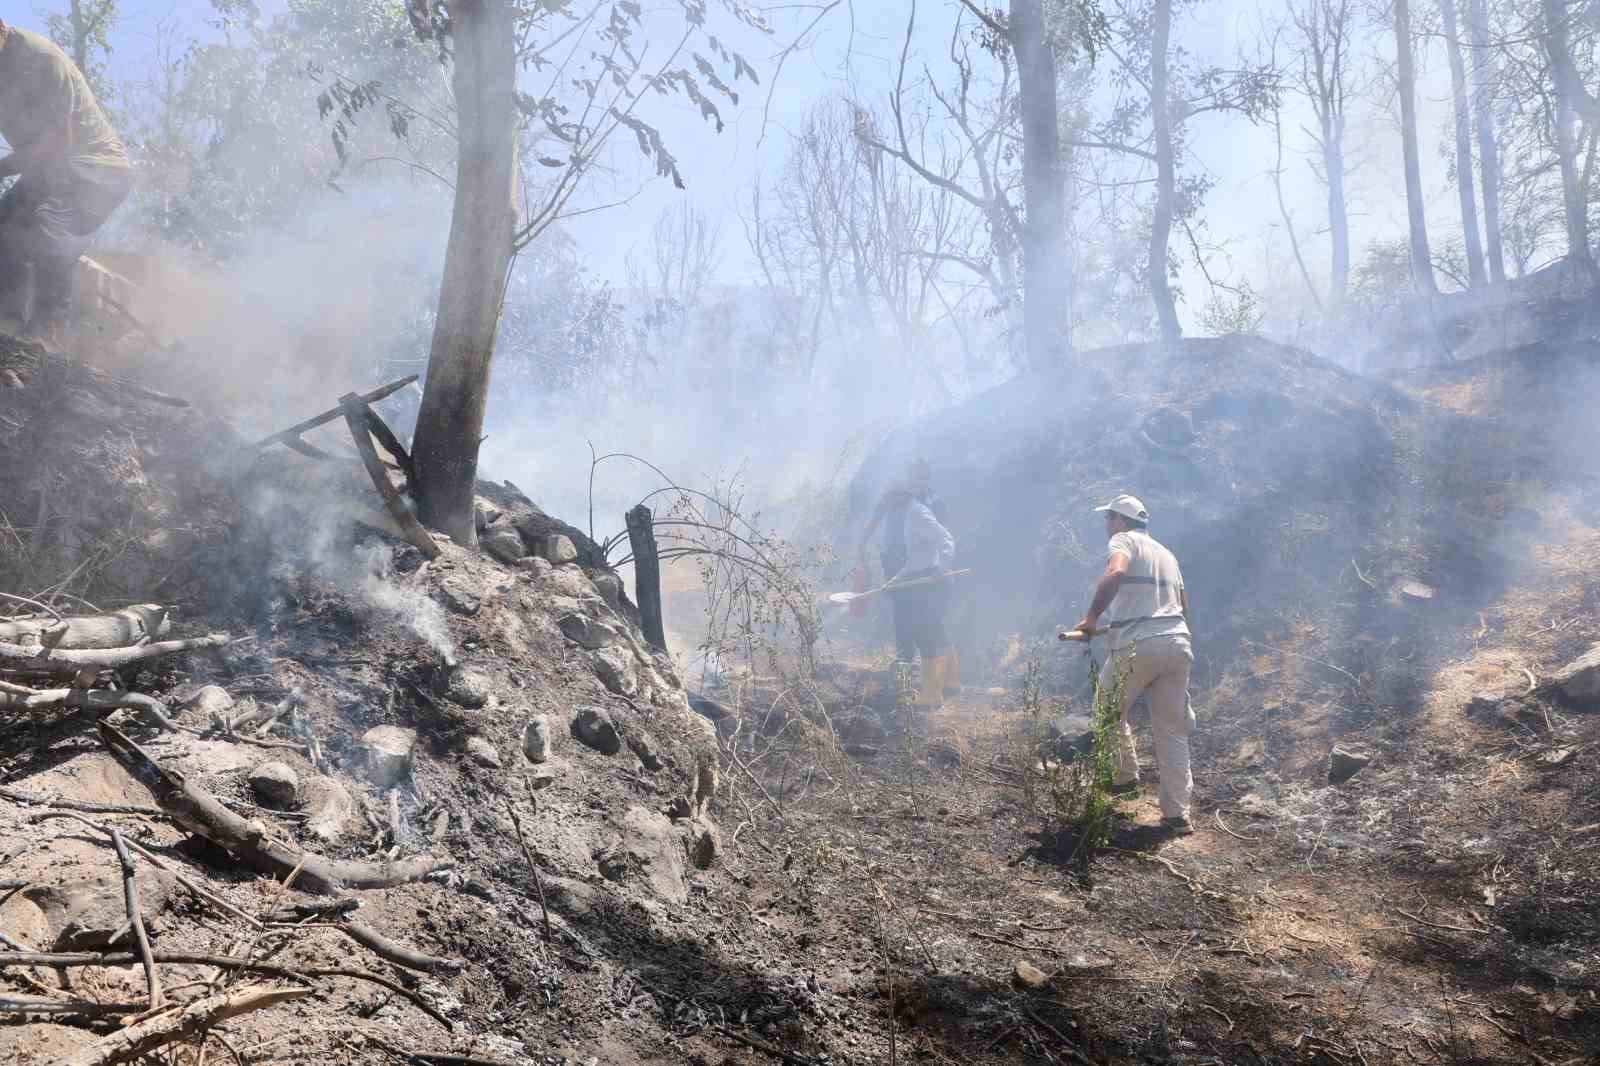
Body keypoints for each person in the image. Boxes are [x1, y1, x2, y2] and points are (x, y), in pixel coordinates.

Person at [0, 19, 132, 347]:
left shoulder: (42, 60)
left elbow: (58, 144)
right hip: (50, 171)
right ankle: (8, 324)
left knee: (49, 225)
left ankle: (47, 333)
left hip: (97, 168)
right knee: (4, 224)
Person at [1074, 494, 1195, 834]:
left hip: (1137, 644)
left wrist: (1091, 618)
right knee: (1172, 730)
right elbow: (1183, 605)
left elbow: (1115, 572)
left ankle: (1123, 779)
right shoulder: (1167, 554)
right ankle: (1177, 815)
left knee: (1107, 710)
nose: (1106, 525)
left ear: (1119, 520)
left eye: (1107, 518)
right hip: (1177, 641)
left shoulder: (1123, 540)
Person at [857, 459, 958, 706]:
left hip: (927, 581)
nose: (886, 501)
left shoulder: (919, 514)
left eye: (889, 496)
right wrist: (893, 580)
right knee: (922, 631)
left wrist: (942, 568)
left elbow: (946, 540)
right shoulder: (903, 513)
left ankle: (933, 694)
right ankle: (934, 688)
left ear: (900, 496)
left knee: (925, 633)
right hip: (912, 578)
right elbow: (911, 558)